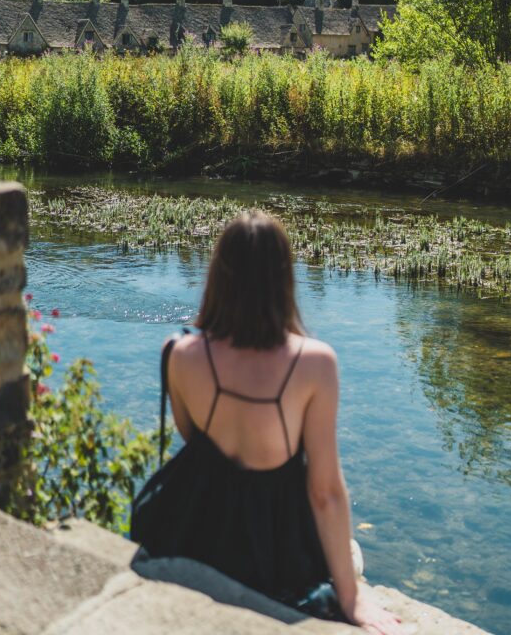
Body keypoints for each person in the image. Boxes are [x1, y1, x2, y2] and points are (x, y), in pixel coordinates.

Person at [131, 211, 403, 633]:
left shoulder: (177, 353)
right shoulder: (314, 363)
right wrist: (351, 600)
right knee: (349, 555)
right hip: (274, 550)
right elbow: (326, 493)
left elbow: (195, 442)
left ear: (218, 275)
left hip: (196, 534)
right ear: (283, 278)